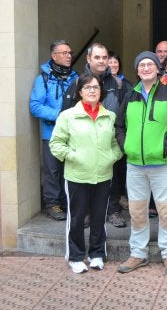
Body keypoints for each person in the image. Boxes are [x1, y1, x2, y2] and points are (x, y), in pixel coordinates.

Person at [115, 51, 167, 276]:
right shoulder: (131, 96)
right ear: (137, 71)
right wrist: (126, 146)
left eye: (150, 64)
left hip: (163, 164)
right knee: (137, 211)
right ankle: (138, 253)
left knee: (166, 212)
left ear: (158, 68)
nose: (146, 68)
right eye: (142, 65)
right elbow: (119, 126)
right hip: (135, 166)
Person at [49, 73, 123, 273]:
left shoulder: (110, 116)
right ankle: (75, 256)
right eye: (88, 87)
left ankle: (97, 254)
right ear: (79, 91)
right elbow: (55, 144)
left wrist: (111, 157)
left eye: (96, 87)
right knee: (77, 218)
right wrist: (74, 156)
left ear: (102, 91)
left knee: (99, 217)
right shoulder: (68, 116)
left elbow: (117, 145)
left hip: (103, 175)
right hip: (77, 176)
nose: (92, 91)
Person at [62, 43, 129, 228]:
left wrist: (120, 146)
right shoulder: (77, 83)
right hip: (83, 146)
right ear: (88, 59)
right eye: (97, 57)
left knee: (114, 179)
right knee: (85, 182)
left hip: (111, 142)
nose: (101, 61)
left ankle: (113, 210)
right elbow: (65, 116)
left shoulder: (117, 83)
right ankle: (87, 214)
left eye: (104, 57)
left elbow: (125, 112)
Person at [29, 40, 78, 221]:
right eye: (64, 53)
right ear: (54, 56)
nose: (68, 56)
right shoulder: (43, 78)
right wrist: (59, 114)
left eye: (69, 52)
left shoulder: (75, 77)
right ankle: (52, 204)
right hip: (51, 133)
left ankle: (68, 203)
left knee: (70, 169)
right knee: (52, 171)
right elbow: (35, 106)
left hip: (72, 134)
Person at [107, 51, 132, 211]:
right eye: (110, 62)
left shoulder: (126, 84)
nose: (113, 65)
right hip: (105, 133)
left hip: (122, 132)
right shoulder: (98, 83)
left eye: (115, 62)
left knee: (120, 169)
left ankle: (117, 201)